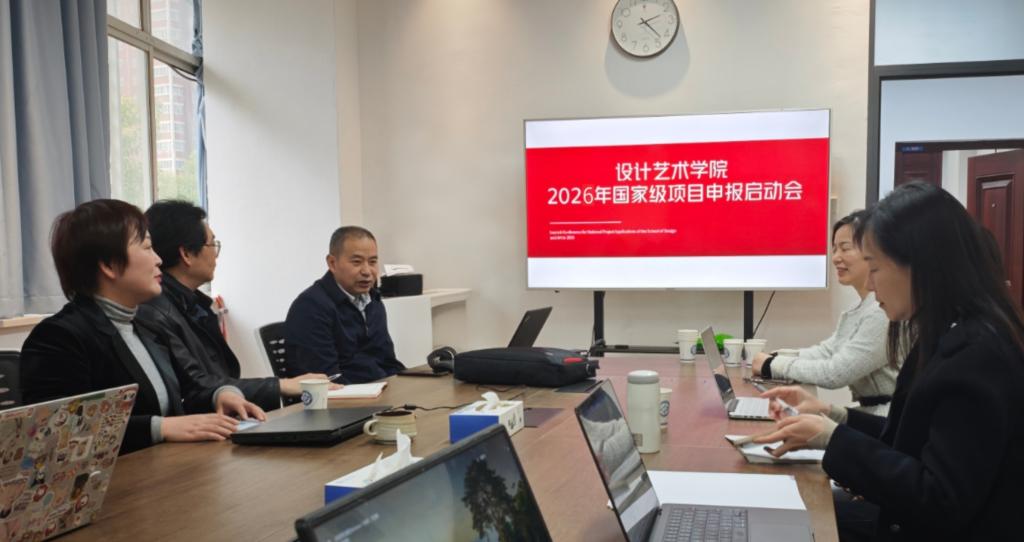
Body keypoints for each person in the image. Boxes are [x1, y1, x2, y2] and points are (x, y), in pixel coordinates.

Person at [754, 182, 1024, 540]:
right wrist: (833, 416)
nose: (871, 285)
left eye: (875, 268)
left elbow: (939, 499)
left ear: (920, 266)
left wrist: (833, 439)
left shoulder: (977, 356)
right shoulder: (950, 335)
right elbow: (907, 440)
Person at [20, 199, 266, 455]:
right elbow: (59, 433)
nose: (158, 259)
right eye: (147, 248)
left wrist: (222, 395)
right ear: (109, 265)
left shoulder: (144, 324)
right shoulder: (59, 337)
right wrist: (159, 428)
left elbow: (190, 388)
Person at [143, 200, 332, 411]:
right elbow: (199, 385)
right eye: (212, 245)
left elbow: (219, 380)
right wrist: (281, 385)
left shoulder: (194, 305)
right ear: (186, 254)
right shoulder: (156, 312)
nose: (216, 255)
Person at [752, 210, 897, 414]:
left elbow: (835, 373)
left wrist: (771, 365)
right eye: (834, 249)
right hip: (872, 412)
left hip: (887, 418)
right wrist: (776, 356)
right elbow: (827, 351)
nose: (836, 257)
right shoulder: (860, 308)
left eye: (845, 248)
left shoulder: (880, 311)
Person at [284, 226, 404, 383]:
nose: (367, 271)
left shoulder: (373, 300)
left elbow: (387, 361)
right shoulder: (310, 307)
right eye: (357, 262)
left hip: (378, 388)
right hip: (343, 394)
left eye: (373, 262)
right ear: (332, 263)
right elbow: (326, 380)